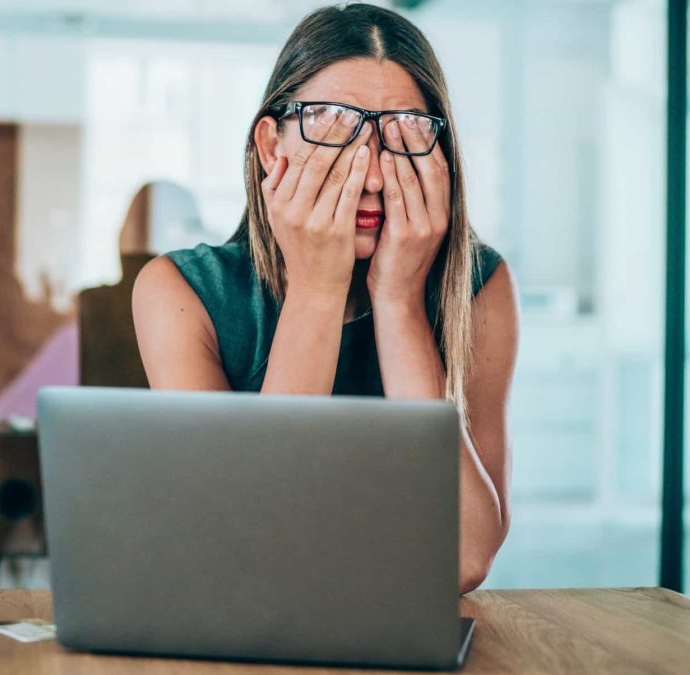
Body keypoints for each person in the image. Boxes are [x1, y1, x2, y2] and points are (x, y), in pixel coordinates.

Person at [132, 2, 518, 594]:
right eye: (333, 126)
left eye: (405, 133)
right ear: (270, 146)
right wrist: (317, 286)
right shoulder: (181, 292)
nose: (369, 175)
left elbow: (464, 558)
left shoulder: (482, 288)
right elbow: (247, 543)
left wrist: (399, 302)